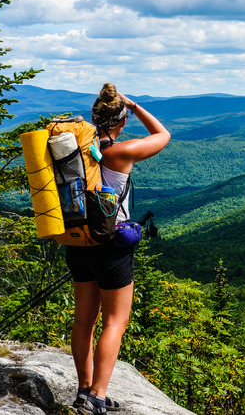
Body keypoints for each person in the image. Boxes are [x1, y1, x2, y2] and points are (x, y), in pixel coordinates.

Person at [67, 83, 170, 415]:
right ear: (121, 122)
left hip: (79, 240)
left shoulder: (80, 149)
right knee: (115, 321)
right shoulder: (121, 152)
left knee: (84, 321)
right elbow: (163, 135)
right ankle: (96, 396)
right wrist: (135, 105)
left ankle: (85, 389)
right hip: (110, 246)